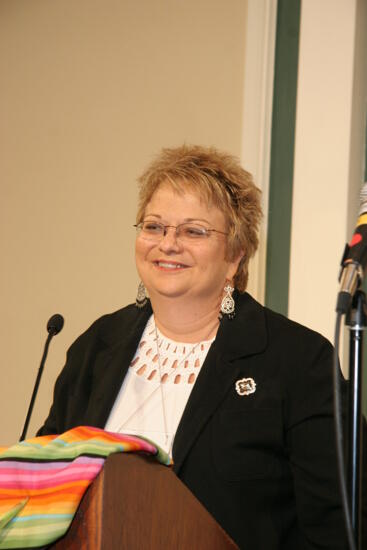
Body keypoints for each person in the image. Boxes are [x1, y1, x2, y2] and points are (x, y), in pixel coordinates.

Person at [38, 145, 349, 549]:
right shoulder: (96, 347)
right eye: (154, 226)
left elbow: (334, 529)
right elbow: (44, 489)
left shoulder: (298, 362)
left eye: (193, 231)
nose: (167, 244)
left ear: (235, 255)